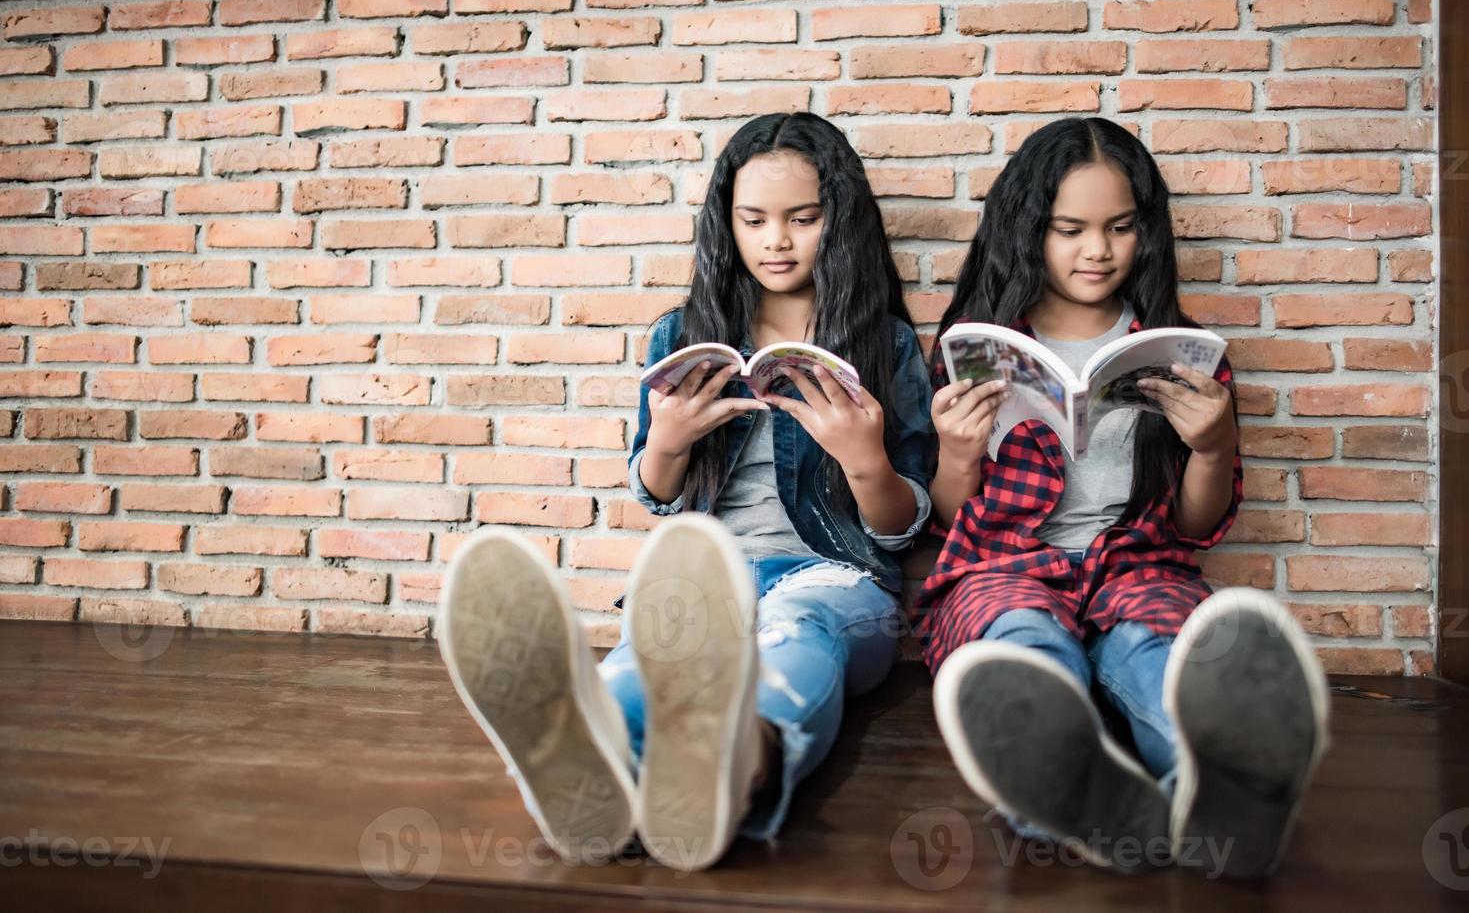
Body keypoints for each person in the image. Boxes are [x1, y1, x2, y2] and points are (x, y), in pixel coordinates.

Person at [437, 112, 935, 872]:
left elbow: (900, 530)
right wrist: (667, 441)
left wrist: (865, 461)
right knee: (654, 650)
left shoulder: (887, 345)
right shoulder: (683, 334)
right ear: (724, 224)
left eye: (802, 219)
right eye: (753, 220)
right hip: (706, 568)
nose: (776, 240)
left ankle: (741, 761)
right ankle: (595, 762)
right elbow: (657, 494)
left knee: (797, 629)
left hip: (837, 578)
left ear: (840, 223)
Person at [920, 117, 1328, 878]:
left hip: (1135, 563)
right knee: (1021, 649)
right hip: (1005, 566)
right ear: (1026, 230)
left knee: (1158, 654)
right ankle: (1059, 781)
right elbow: (950, 519)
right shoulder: (976, 348)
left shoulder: (1180, 353)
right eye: (1067, 230)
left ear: (1146, 231)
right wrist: (955, 453)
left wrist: (1212, 444)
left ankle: (1219, 792)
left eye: (1118, 228)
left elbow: (1195, 526)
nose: (1096, 251)